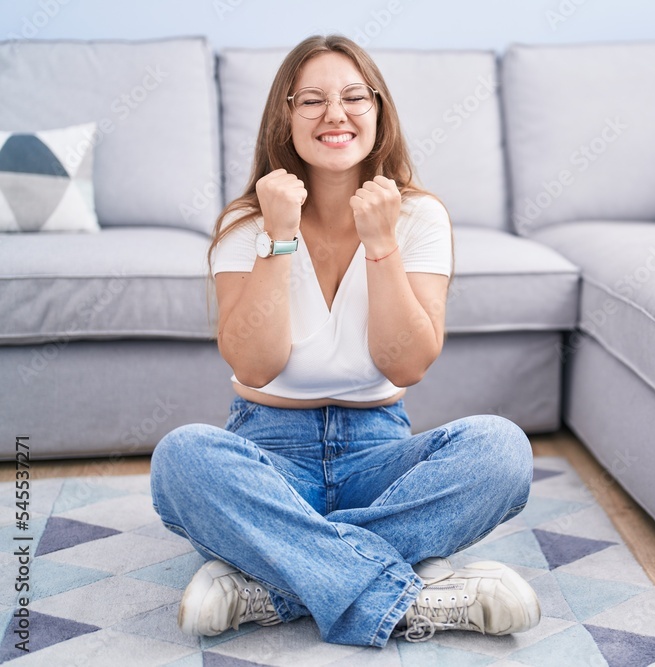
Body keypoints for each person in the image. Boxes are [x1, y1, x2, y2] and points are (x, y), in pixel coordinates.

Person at [149, 34, 540, 648]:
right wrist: (277, 237)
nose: (335, 114)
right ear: (287, 116)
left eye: (355, 97)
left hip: (377, 453)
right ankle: (406, 593)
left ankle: (278, 582)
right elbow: (254, 364)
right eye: (311, 101)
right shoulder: (244, 224)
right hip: (267, 452)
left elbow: (405, 363)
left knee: (502, 451)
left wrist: (381, 242)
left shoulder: (419, 218)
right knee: (182, 459)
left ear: (379, 113)